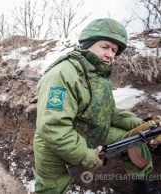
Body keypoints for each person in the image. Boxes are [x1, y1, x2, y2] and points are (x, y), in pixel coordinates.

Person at [33, 18, 161, 194]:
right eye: (105, 47)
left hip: (90, 133)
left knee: (134, 142)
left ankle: (144, 188)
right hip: (54, 151)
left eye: (115, 50)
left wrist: (142, 126)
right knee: (51, 190)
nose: (110, 55)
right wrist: (86, 155)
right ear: (88, 44)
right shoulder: (63, 74)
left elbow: (109, 112)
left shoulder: (99, 75)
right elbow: (52, 127)